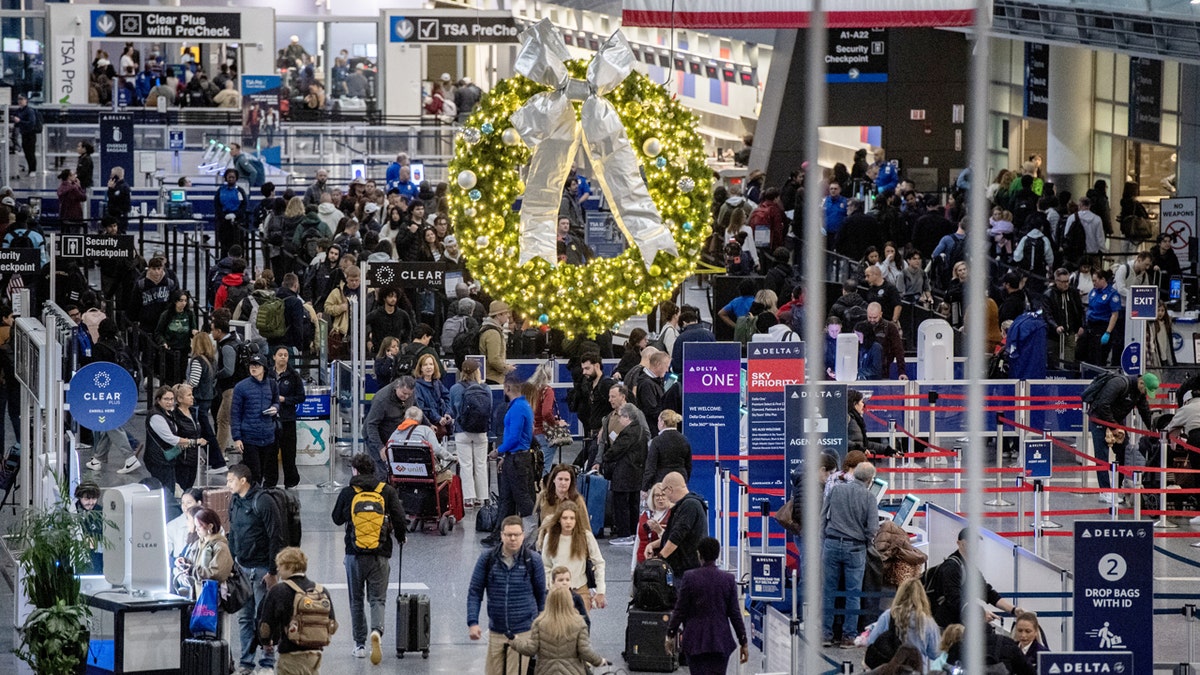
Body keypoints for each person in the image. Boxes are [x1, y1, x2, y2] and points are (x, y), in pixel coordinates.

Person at [331, 453, 406, 664]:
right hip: (380, 553)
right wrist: (401, 537)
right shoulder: (386, 491)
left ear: (355, 470)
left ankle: (360, 645)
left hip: (354, 554)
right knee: (377, 599)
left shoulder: (348, 492)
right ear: (373, 470)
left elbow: (336, 519)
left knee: (356, 600)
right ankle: (377, 632)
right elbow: (400, 518)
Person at [467, 516, 548, 675]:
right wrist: (473, 622)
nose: (513, 538)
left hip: (523, 632)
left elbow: (541, 597)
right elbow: (475, 591)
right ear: (501, 535)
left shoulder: (533, 560)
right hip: (497, 632)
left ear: (523, 535)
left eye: (517, 535)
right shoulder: (488, 559)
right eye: (508, 534)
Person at [226, 463, 284, 673]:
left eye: (231, 480)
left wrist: (273, 572)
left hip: (261, 571)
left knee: (264, 618)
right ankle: (246, 662)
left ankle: (267, 662)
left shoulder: (264, 501)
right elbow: (233, 533)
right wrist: (231, 564)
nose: (227, 484)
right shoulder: (234, 501)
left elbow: (276, 536)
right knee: (244, 618)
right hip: (241, 568)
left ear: (243, 481)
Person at [666, 537, 748, 675]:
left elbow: (680, 610)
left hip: (695, 641)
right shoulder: (728, 580)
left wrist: (670, 634)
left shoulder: (689, 577)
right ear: (717, 555)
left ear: (699, 554)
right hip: (721, 641)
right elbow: (735, 614)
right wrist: (743, 641)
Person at [821, 461, 879, 646]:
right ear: (870, 480)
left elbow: (823, 516)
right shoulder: (869, 497)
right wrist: (867, 542)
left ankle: (825, 634)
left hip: (831, 544)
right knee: (853, 593)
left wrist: (825, 537)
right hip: (855, 548)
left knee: (828, 591)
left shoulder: (836, 490)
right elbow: (873, 529)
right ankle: (848, 636)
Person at [256, 547, 337, 675]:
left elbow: (265, 625)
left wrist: (267, 643)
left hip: (290, 654)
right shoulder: (321, 591)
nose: (277, 570)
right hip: (315, 656)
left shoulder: (279, 590)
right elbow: (332, 624)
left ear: (289, 566)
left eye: (280, 566)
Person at [931, 528, 1022, 628]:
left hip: (957, 624)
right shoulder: (951, 567)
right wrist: (979, 614)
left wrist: (1013, 610)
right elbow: (954, 599)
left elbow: (987, 592)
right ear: (960, 543)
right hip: (945, 627)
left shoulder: (970, 567)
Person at [1087, 372, 1157, 500]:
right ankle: (1105, 492)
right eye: (1145, 390)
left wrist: (1154, 431)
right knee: (1102, 456)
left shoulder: (1139, 393)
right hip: (1099, 420)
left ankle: (1119, 488)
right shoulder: (1119, 384)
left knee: (1125, 452)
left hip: (1116, 422)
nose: (1145, 393)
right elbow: (1103, 405)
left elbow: (1144, 410)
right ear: (1141, 382)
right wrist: (1114, 427)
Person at [508, 586, 607, 674]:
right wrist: (599, 661)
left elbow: (531, 649)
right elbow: (585, 651)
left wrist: (515, 641)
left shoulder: (540, 623)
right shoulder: (579, 623)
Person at [485, 374, 536, 543]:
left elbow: (513, 437)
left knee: (522, 498)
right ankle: (498, 534)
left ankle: (536, 533)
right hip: (514, 458)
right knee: (506, 498)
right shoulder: (522, 406)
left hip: (517, 460)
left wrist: (498, 451)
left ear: (507, 388)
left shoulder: (517, 409)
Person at [538, 502, 606, 611]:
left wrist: (601, 591)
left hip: (580, 591)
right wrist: (549, 588)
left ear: (576, 520)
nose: (568, 521)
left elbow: (599, 563)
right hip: (557, 593)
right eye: (565, 518)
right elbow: (546, 566)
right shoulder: (550, 537)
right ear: (559, 519)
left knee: (582, 626)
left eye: (572, 518)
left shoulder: (586, 536)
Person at [864, 578, 942, 667]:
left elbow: (871, 641)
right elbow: (935, 653)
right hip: (917, 668)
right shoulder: (928, 622)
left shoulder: (888, 616)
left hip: (891, 668)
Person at [602, 403, 649, 545]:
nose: (619, 419)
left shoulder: (628, 432)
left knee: (621, 505)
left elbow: (615, 450)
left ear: (627, 417)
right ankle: (634, 533)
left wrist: (606, 457)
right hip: (637, 472)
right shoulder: (640, 430)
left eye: (621, 416)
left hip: (624, 473)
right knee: (634, 505)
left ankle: (624, 534)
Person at [646, 471, 708, 576]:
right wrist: (652, 545)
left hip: (687, 570)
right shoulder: (686, 505)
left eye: (664, 492)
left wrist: (659, 560)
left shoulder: (689, 505)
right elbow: (672, 535)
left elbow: (676, 537)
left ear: (669, 489)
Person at [145, 385, 196, 513]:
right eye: (166, 399)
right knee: (166, 492)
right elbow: (170, 438)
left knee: (170, 491)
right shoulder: (156, 416)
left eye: (171, 399)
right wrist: (193, 442)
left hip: (167, 460)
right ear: (158, 400)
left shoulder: (168, 413)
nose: (169, 402)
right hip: (158, 460)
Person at [231, 355, 280, 487]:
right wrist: (237, 437)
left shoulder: (272, 384)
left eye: (257, 365)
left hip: (269, 436)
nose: (253, 368)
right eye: (252, 365)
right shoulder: (241, 387)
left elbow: (276, 401)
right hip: (249, 437)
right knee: (254, 474)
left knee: (269, 473)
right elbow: (235, 413)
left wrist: (275, 408)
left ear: (264, 368)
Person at [450, 359, 492, 507]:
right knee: (480, 464)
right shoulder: (485, 388)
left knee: (466, 465)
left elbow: (453, 410)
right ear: (477, 371)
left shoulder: (455, 388)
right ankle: (482, 498)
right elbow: (489, 409)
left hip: (462, 431)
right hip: (481, 432)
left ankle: (468, 499)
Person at [363, 375, 417, 479]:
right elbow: (371, 425)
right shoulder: (382, 400)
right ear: (397, 387)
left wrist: (429, 425)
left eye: (409, 394)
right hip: (374, 436)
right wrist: (380, 447)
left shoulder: (411, 394)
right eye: (404, 393)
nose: (406, 397)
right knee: (382, 470)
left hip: (393, 435)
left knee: (396, 469)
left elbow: (415, 408)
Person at [269, 346, 307, 489]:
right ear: (274, 357)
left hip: (288, 419)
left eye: (285, 355)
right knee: (271, 452)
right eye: (280, 354)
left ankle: (291, 481)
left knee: (289, 453)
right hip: (271, 420)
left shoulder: (293, 376)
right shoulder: (268, 374)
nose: (283, 357)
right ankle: (271, 481)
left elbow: (301, 397)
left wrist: (285, 399)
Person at [172, 384, 210, 491]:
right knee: (182, 487)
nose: (192, 397)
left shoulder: (193, 412)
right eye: (189, 395)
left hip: (194, 457)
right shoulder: (175, 416)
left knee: (189, 487)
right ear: (179, 399)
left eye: (192, 395)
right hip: (181, 459)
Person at [642, 409, 691, 491]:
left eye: (658, 420)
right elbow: (688, 465)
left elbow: (651, 468)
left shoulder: (657, 441)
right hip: (680, 479)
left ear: (662, 422)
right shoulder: (684, 440)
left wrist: (644, 487)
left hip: (662, 481)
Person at [848, 389, 896, 457]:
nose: (864, 405)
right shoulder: (847, 418)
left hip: (857, 458)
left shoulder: (856, 419)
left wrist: (887, 450)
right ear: (855, 404)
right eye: (861, 402)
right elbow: (841, 440)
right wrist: (858, 449)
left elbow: (865, 444)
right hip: (851, 460)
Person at [635, 483, 672, 569]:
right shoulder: (644, 515)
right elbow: (638, 541)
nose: (660, 498)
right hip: (642, 562)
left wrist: (660, 531)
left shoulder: (672, 515)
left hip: (663, 564)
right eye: (657, 495)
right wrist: (633, 568)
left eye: (663, 495)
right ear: (652, 498)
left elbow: (672, 540)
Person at [413, 353, 452, 438]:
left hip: (441, 423)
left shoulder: (437, 382)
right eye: (425, 365)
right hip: (427, 425)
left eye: (431, 364)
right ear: (421, 368)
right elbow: (421, 408)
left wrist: (447, 413)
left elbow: (447, 397)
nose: (429, 367)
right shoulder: (417, 386)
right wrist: (437, 418)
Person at [481, 301, 514, 385]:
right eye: (506, 313)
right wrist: (506, 368)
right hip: (493, 378)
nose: (508, 315)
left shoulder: (487, 329)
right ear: (498, 315)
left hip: (489, 377)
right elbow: (494, 359)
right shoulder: (493, 334)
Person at [10, 95, 38, 175]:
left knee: (31, 152)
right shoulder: (19, 111)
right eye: (19, 99)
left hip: (31, 134)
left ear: (26, 100)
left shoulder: (29, 111)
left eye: (22, 99)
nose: (20, 101)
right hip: (24, 134)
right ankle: (30, 169)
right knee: (26, 152)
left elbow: (31, 123)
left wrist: (20, 121)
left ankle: (33, 170)